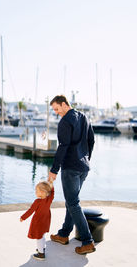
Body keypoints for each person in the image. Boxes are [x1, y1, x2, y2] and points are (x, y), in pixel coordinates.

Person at [48, 95, 96, 255]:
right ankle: (63, 234)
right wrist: (86, 158)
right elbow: (92, 140)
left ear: (64, 104)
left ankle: (87, 241)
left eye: (56, 109)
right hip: (84, 166)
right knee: (71, 201)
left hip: (71, 167)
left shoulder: (65, 121)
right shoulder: (84, 117)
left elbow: (63, 146)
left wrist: (54, 170)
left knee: (73, 203)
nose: (56, 113)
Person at [20, 181, 54, 261]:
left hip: (39, 222)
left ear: (42, 192)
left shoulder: (37, 202)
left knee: (39, 237)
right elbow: (52, 193)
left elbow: (30, 211)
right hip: (46, 221)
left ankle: (41, 253)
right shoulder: (49, 200)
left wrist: (23, 217)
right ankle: (42, 247)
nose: (35, 192)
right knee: (42, 235)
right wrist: (51, 184)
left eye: (36, 191)